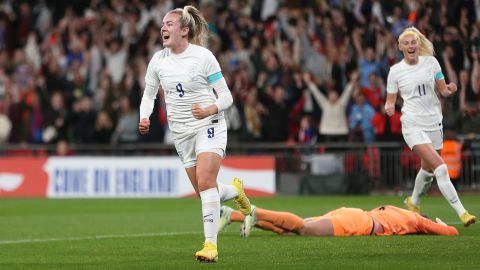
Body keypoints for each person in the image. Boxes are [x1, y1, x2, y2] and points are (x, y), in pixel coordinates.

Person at [138, 6, 252, 262]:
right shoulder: (158, 60)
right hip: (181, 133)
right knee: (204, 191)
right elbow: (149, 95)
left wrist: (211, 107)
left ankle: (210, 247)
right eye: (162, 24)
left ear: (185, 31)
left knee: (204, 182)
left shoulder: (203, 57)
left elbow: (226, 96)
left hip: (209, 124)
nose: (163, 27)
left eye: (169, 23)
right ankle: (236, 191)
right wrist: (144, 116)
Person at [384, 27, 475, 226]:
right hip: (412, 124)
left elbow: (442, 90)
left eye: (413, 42)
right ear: (400, 47)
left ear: (418, 44)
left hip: (434, 122)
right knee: (441, 167)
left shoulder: (432, 62)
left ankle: (413, 201)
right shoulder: (395, 71)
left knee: (428, 170)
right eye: (406, 43)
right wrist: (389, 106)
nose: (410, 46)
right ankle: (463, 213)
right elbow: (390, 100)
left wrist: (450, 89)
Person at [218, 205, 458, 237]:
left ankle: (233, 215)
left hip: (350, 213)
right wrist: (443, 226)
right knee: (303, 228)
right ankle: (254, 212)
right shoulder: (416, 220)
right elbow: (450, 233)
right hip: (359, 222)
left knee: (291, 233)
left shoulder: (397, 210)